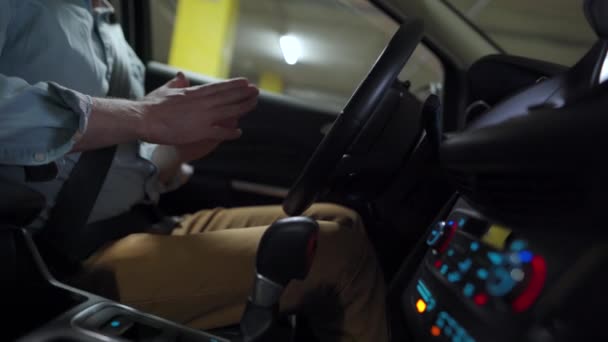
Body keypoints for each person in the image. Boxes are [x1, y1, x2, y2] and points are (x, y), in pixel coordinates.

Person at [0, 0, 388, 340]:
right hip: (54, 261)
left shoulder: (107, 23)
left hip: (135, 223)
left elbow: (105, 162)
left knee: (341, 220)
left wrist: (172, 154)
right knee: (338, 253)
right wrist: (144, 115)